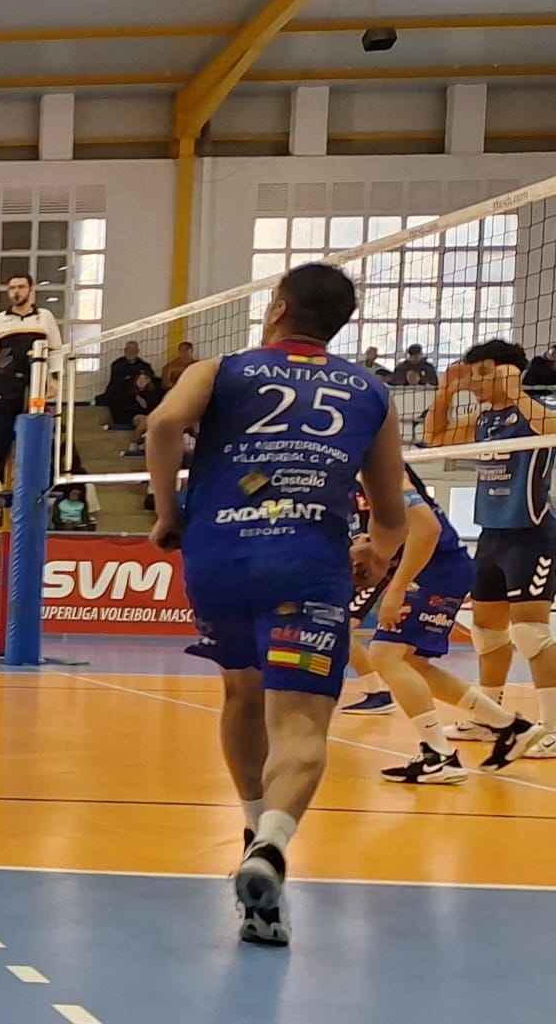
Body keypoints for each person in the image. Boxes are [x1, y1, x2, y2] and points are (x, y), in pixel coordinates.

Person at [143, 262, 408, 948]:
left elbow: (164, 423)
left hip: (219, 557)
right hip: (307, 564)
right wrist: (377, 554)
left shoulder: (222, 369)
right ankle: (272, 842)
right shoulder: (371, 390)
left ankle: (251, 827)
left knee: (241, 690)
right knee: (301, 724)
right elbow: (390, 512)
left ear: (280, 308)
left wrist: (168, 513)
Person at [357, 465, 542, 783]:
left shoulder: (376, 466)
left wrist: (397, 587)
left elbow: (427, 528)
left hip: (436, 569)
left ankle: (438, 756)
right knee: (412, 664)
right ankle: (510, 727)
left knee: (385, 656)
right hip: (435, 568)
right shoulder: (345, 479)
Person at [423, 339, 556, 756]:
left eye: (482, 373)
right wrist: (446, 391)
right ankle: (489, 717)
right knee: (487, 633)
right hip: (491, 536)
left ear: (506, 373)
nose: (475, 382)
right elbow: (435, 438)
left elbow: (552, 430)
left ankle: (552, 727)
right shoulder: (484, 420)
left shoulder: (535, 413)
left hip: (531, 535)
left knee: (530, 633)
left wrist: (517, 390)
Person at [0, 273, 62, 482]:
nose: (16, 292)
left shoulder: (45, 317)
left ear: (31, 290)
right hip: (4, 383)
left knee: (35, 429)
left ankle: (39, 477)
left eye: (21, 287)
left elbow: (56, 349)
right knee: (1, 431)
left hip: (35, 383)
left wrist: (55, 378)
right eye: (12, 288)